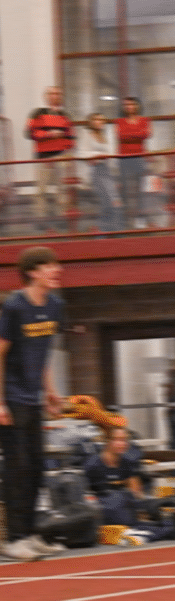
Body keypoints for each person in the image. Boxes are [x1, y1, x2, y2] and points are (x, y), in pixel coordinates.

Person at [0, 246, 68, 561]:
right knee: (19, 469)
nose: (57, 271)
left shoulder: (56, 305)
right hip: (12, 398)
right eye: (50, 266)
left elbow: (43, 354)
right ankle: (13, 539)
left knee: (39, 467)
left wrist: (50, 391)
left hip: (34, 398)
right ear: (32, 272)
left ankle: (31, 534)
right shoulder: (13, 307)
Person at [25, 86, 75, 230]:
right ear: (46, 96)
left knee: (62, 189)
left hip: (61, 157)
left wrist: (65, 150)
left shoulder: (66, 115)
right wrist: (49, 134)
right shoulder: (36, 113)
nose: (55, 95)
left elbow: (71, 137)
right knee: (41, 190)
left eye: (58, 93)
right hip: (43, 159)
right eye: (52, 93)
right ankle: (40, 219)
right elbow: (29, 133)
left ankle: (61, 217)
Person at [78, 112, 124, 232]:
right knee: (110, 201)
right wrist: (97, 155)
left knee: (113, 202)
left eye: (102, 120)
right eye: (97, 120)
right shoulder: (87, 134)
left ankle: (107, 229)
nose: (100, 122)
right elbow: (81, 153)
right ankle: (106, 229)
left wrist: (115, 175)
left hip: (108, 171)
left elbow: (111, 155)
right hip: (95, 171)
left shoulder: (105, 136)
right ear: (91, 122)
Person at [116, 96, 151, 229]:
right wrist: (137, 134)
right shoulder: (119, 121)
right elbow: (120, 135)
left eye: (132, 104)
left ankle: (140, 218)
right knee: (124, 189)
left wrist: (130, 135)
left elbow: (147, 134)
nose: (129, 107)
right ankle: (125, 219)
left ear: (137, 106)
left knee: (141, 189)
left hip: (140, 157)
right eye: (127, 104)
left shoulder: (145, 120)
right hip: (124, 158)